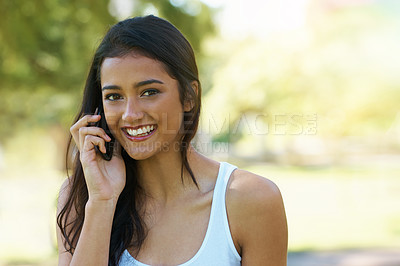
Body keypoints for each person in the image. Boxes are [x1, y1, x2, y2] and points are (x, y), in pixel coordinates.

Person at [56, 15, 288, 266]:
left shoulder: (250, 200)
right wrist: (102, 202)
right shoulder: (80, 198)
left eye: (149, 92)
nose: (130, 114)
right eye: (114, 96)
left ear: (189, 96)